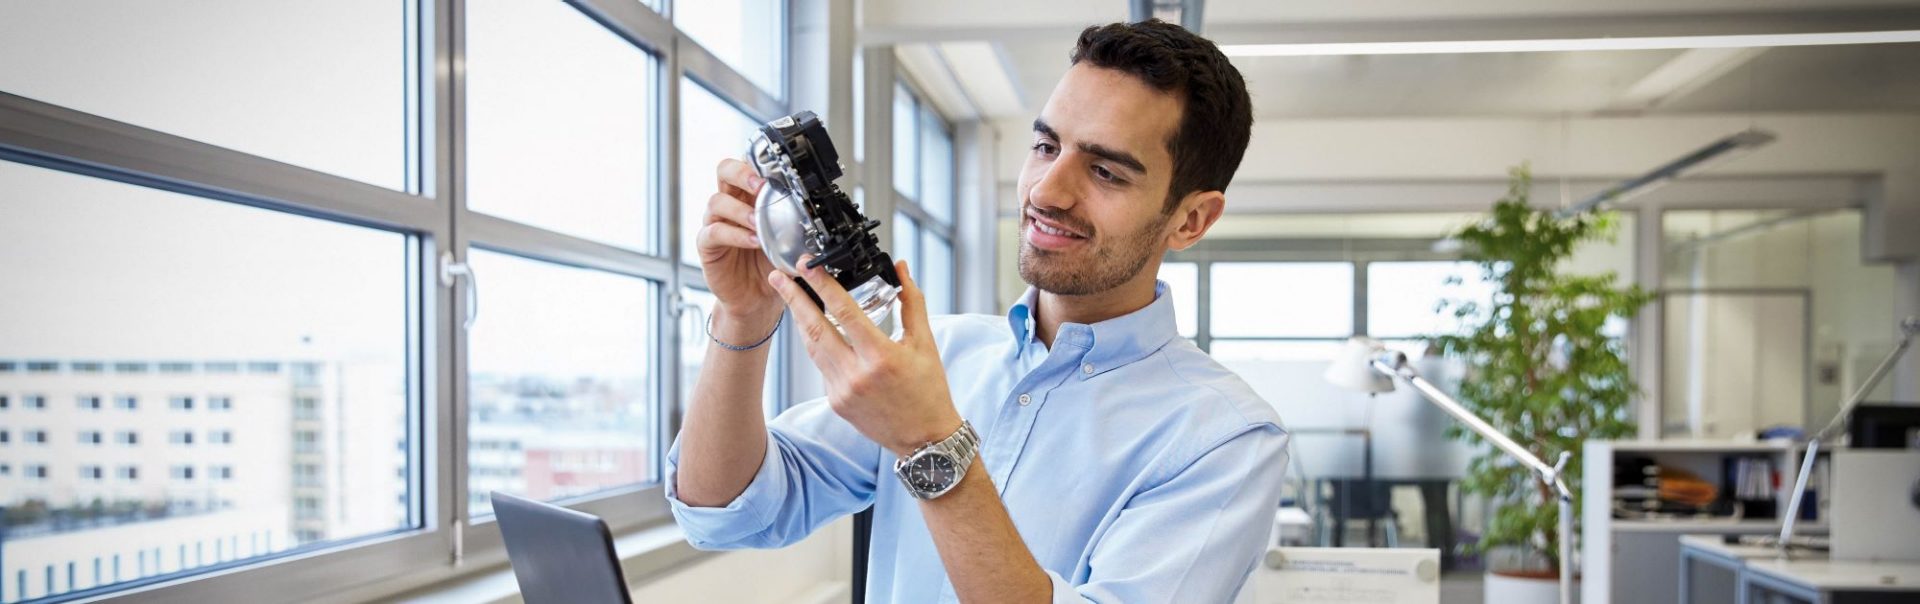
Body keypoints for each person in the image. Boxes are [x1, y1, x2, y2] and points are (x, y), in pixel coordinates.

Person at [668, 19, 1287, 603]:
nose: (1046, 191)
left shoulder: (1223, 440)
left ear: (1191, 218)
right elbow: (724, 510)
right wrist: (742, 319)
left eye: (1104, 170)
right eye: (1046, 146)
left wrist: (929, 442)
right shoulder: (943, 354)